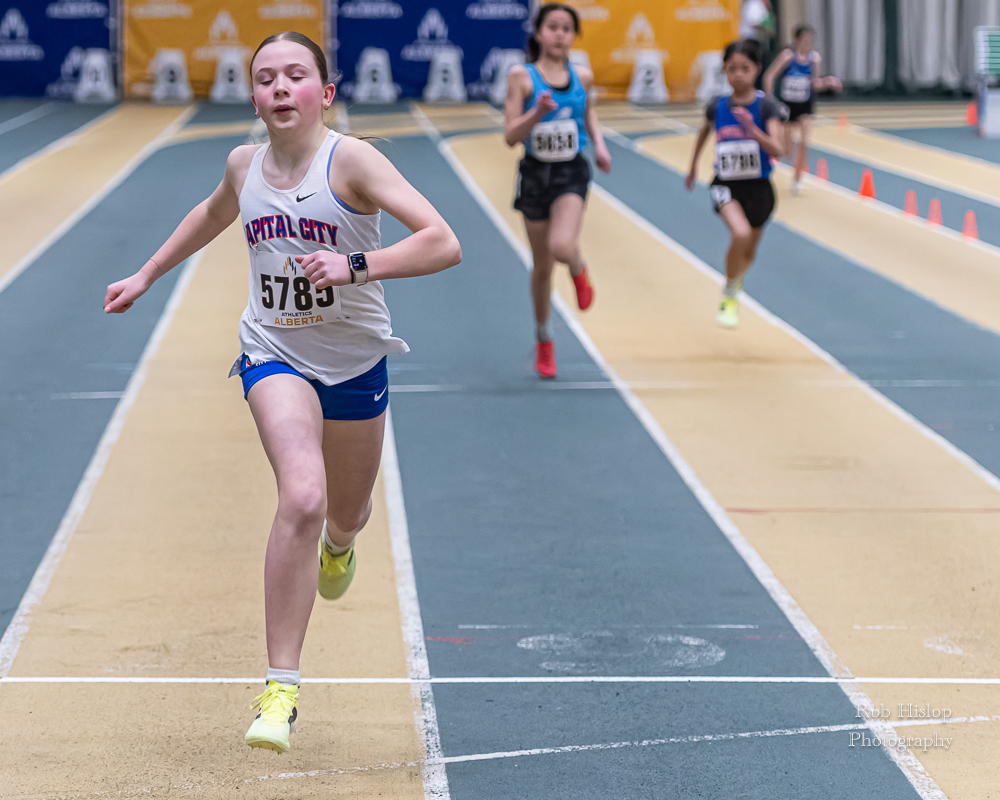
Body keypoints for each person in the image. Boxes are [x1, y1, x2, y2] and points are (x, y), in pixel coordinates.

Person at [103, 31, 461, 754]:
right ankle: (281, 690)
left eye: (295, 75)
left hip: (354, 362)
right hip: (274, 352)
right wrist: (145, 274)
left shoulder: (351, 161)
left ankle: (340, 547)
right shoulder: (244, 165)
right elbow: (212, 213)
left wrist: (356, 264)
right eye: (265, 78)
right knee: (301, 494)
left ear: (324, 93)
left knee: (347, 513)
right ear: (254, 97)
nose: (278, 88)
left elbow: (443, 242)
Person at [503, 1, 611, 379]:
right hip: (535, 174)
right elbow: (510, 136)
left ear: (573, 36)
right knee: (542, 267)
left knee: (562, 246)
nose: (560, 35)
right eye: (553, 27)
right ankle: (544, 338)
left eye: (567, 28)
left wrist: (599, 145)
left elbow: (588, 112)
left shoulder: (583, 76)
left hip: (570, 172)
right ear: (538, 33)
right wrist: (537, 112)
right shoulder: (521, 78)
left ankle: (578, 269)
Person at [685, 39, 784, 329]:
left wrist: (753, 131)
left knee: (749, 252)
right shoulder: (717, 106)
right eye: (732, 69)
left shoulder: (766, 107)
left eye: (745, 68)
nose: (738, 74)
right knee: (740, 234)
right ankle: (729, 293)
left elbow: (778, 149)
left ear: (757, 70)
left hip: (759, 188)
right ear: (725, 71)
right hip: (726, 185)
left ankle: (735, 280)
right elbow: (703, 133)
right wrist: (693, 166)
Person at [764, 24, 842, 196]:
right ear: (797, 40)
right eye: (805, 40)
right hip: (788, 106)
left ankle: (797, 178)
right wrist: (769, 99)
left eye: (811, 41)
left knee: (805, 142)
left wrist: (827, 82)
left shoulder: (814, 58)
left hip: (805, 105)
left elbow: (814, 83)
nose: (808, 44)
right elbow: (769, 75)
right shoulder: (787, 56)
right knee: (785, 151)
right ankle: (768, 169)